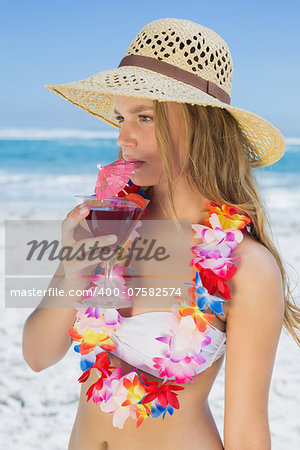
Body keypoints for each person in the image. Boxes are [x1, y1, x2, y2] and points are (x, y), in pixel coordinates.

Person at [22, 18, 300, 450]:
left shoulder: (248, 267)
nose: (123, 138)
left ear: (200, 125)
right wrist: (73, 268)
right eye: (121, 117)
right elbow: (38, 356)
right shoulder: (108, 227)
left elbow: (246, 431)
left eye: (145, 117)